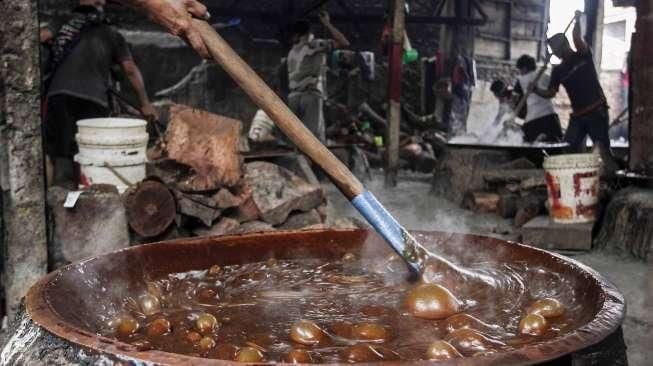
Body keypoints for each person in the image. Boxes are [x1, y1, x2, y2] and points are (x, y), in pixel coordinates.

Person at [44, 0, 158, 185]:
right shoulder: (112, 34)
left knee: (61, 153)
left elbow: (42, 36)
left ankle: (62, 202)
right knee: (92, 152)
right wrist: (145, 104)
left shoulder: (63, 21)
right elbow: (130, 69)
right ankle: (90, 194)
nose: (102, 1)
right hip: (93, 100)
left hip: (61, 96)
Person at [533, 11, 612, 156]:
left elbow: (577, 38)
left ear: (564, 44)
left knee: (602, 151)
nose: (553, 53)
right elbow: (551, 93)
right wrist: (536, 90)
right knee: (567, 150)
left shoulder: (583, 54)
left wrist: (576, 20)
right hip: (578, 116)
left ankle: (613, 176)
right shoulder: (558, 70)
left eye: (553, 49)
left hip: (597, 111)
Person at [286, 12, 350, 143]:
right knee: (312, 139)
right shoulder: (314, 45)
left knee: (295, 136)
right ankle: (310, 163)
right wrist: (327, 23)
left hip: (293, 97)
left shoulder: (292, 51)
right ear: (310, 32)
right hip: (310, 96)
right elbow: (344, 42)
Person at [513, 55, 563, 143]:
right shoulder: (547, 76)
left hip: (532, 121)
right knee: (555, 147)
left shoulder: (521, 80)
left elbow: (514, 99)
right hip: (550, 118)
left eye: (520, 70)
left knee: (529, 150)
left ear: (524, 68)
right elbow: (552, 94)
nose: (520, 73)